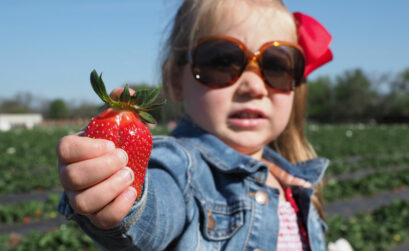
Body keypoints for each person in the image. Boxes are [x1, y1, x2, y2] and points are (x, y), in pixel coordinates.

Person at [57, 0, 333, 250]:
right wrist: (123, 196)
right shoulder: (182, 168)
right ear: (175, 80)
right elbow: (158, 210)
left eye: (276, 66)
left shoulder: (296, 182)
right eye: (222, 61)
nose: (254, 86)